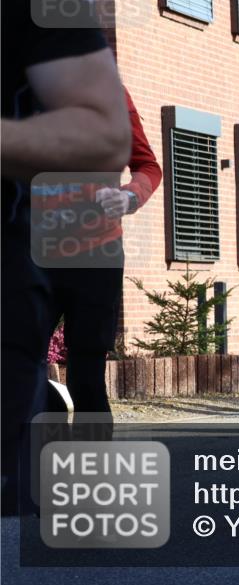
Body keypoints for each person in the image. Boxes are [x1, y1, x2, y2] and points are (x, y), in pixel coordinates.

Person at [2, 0, 131, 515]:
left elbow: (143, 161)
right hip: (38, 238)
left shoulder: (101, 97)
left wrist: (128, 198)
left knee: (86, 371)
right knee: (37, 365)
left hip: (93, 246)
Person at [37, 88, 161, 437]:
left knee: (86, 378)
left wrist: (129, 196)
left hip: (96, 255)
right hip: (31, 255)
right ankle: (50, 414)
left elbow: (147, 165)